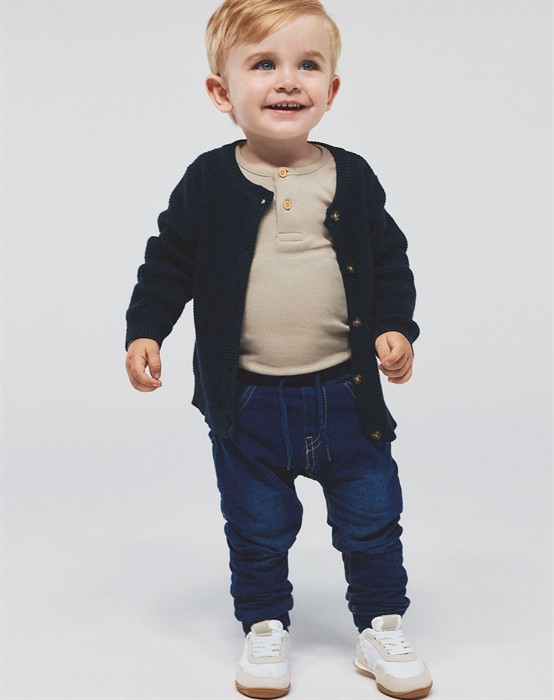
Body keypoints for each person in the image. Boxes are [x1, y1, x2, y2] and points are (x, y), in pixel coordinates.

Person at [125, 1, 433, 698]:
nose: (288, 80)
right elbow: (167, 263)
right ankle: (265, 627)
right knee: (257, 527)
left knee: (373, 519)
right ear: (221, 92)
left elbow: (389, 261)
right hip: (248, 404)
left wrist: (396, 327)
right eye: (264, 64)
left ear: (332, 89)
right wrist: (146, 330)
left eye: (308, 65)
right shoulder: (209, 180)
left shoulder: (351, 176)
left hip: (347, 398)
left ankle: (380, 624)